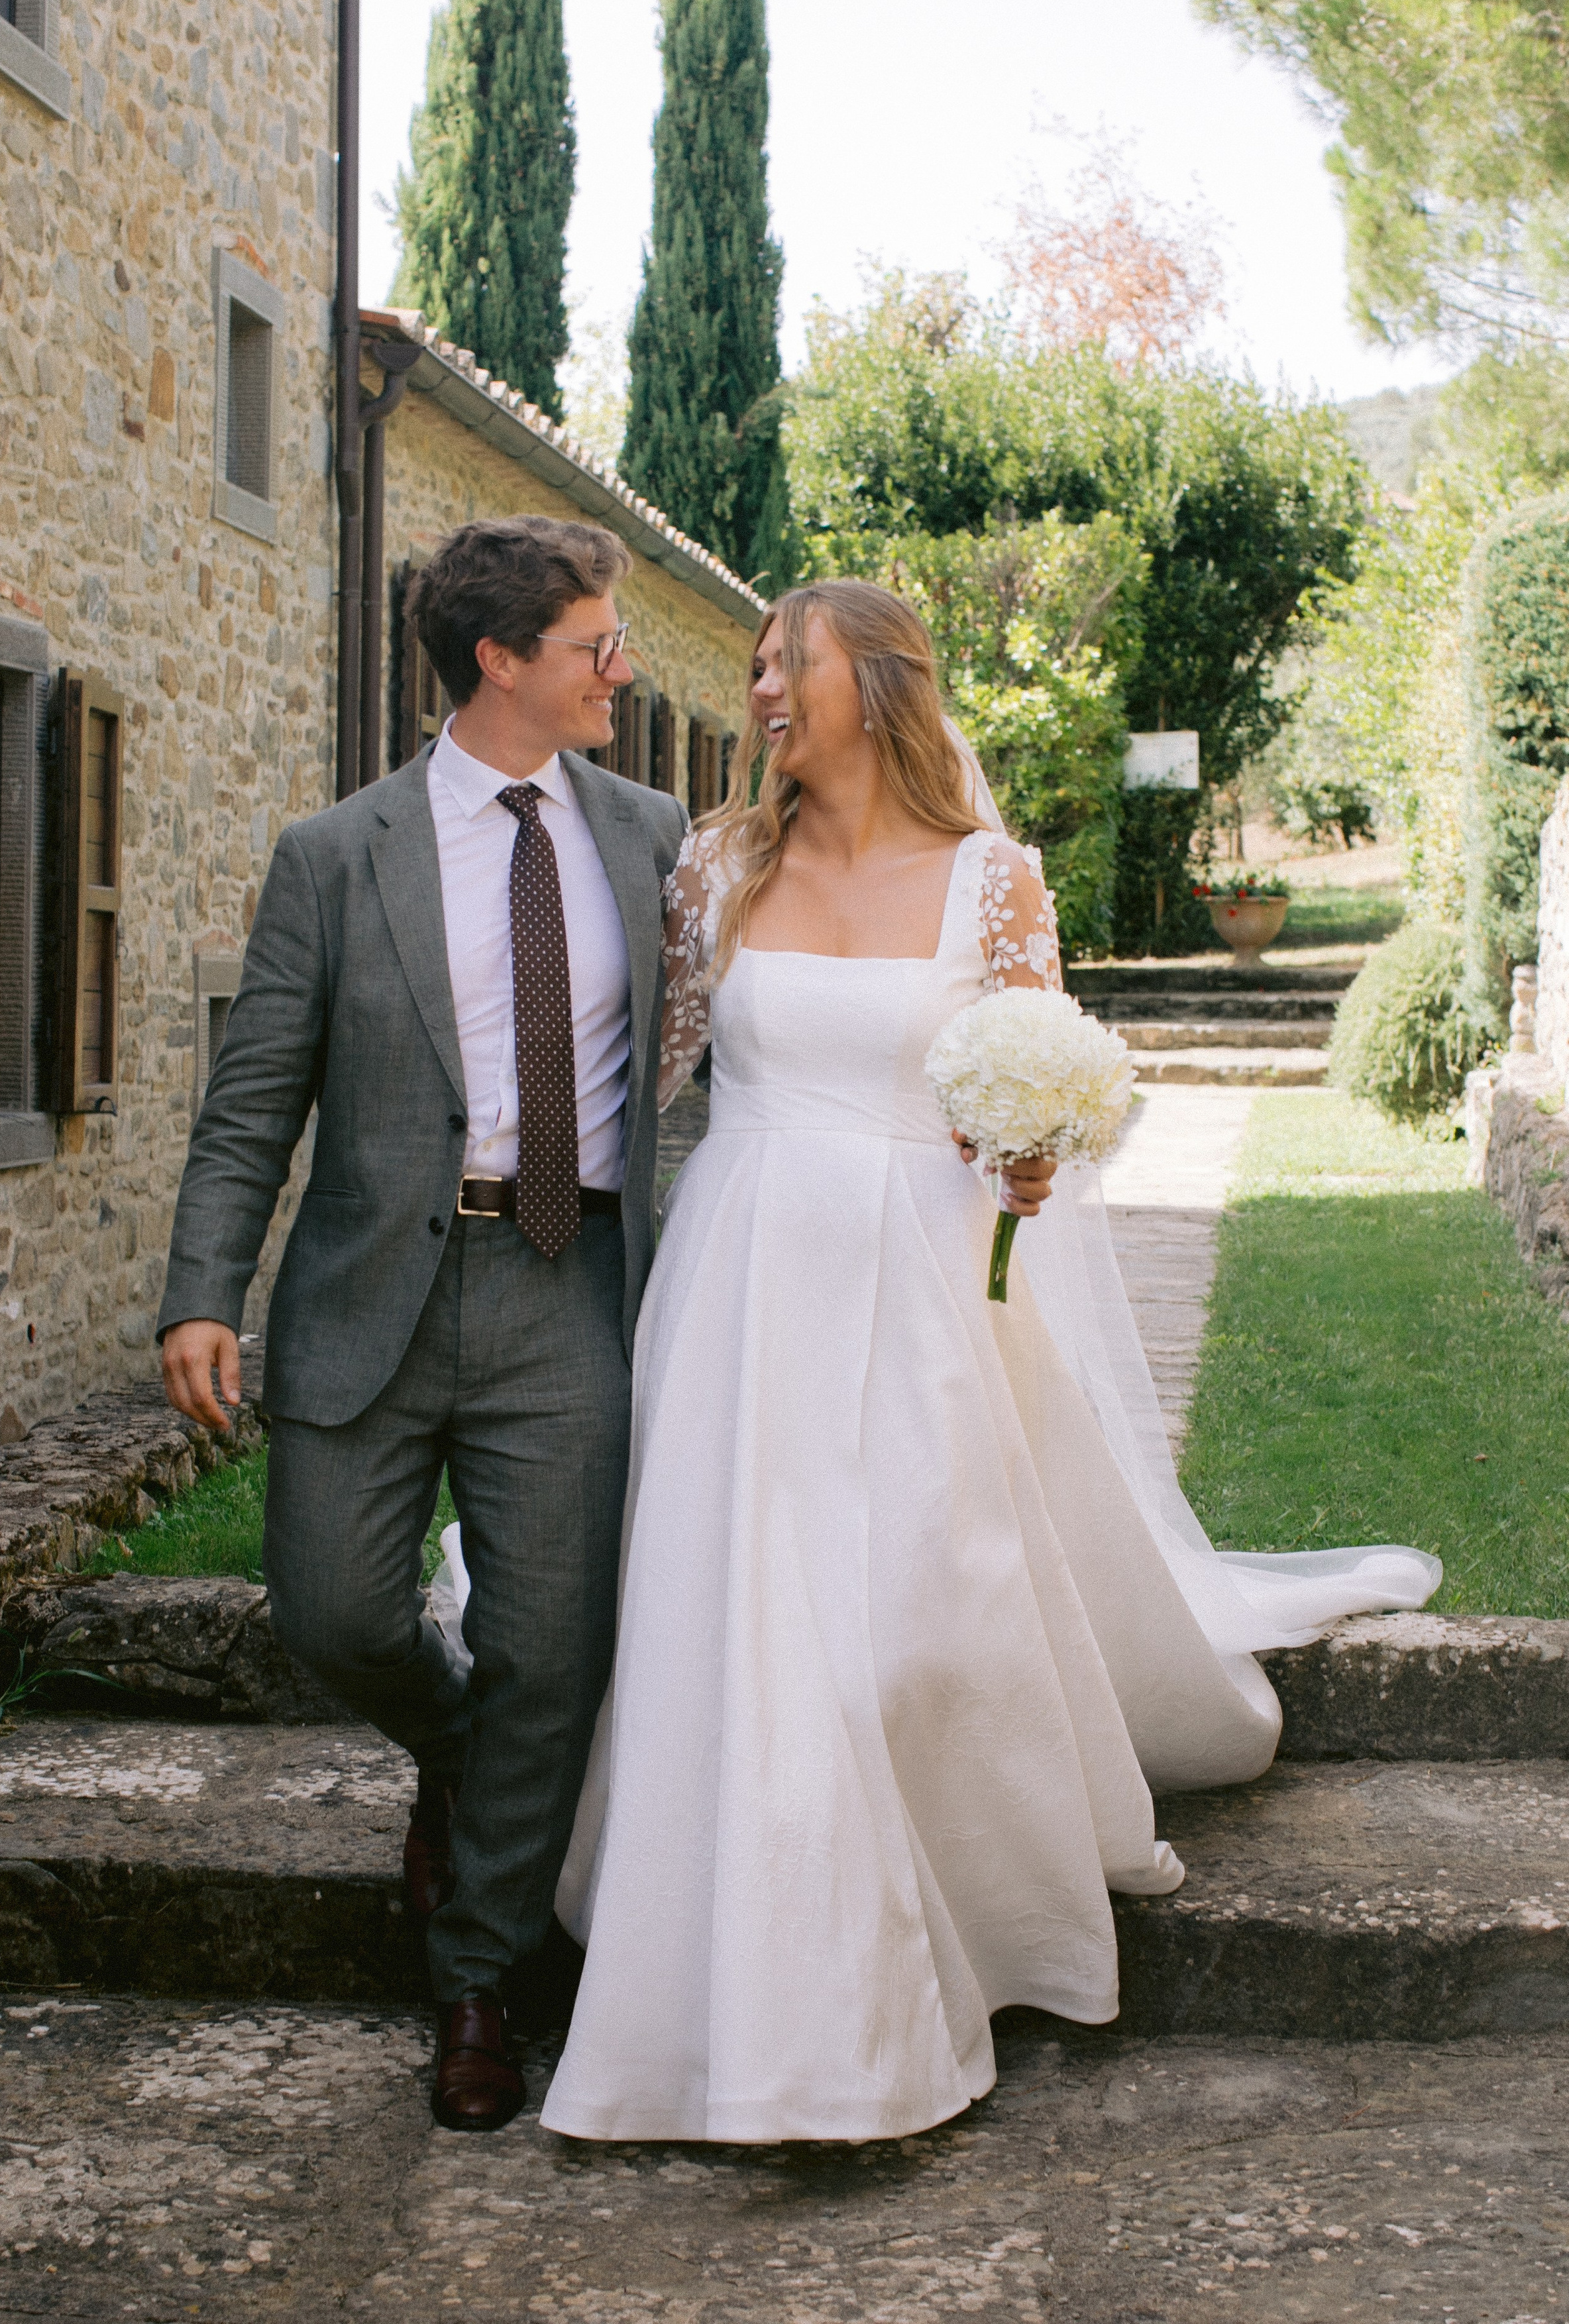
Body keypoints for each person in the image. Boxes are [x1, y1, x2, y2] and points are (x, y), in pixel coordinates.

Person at [537, 577, 1438, 2145]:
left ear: (873, 683)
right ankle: (804, 2020)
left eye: (781, 663)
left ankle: (961, 1913)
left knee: (900, 1638)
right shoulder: (716, 867)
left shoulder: (990, 881)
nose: (756, 689)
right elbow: (639, 1076)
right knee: (745, 1626)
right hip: (741, 1287)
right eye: (751, 664)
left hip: (917, 1291)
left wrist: (1034, 1157)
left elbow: (1043, 1091)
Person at [156, 514, 685, 2134]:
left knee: (554, 1647)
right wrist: (201, 1290)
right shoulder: (336, 853)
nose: (622, 668)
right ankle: (458, 1763)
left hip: (567, 1284)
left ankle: (476, 1982)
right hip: (371, 1288)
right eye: (595, 645)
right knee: (329, 1613)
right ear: (498, 661)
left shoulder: (659, 837)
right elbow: (253, 1104)